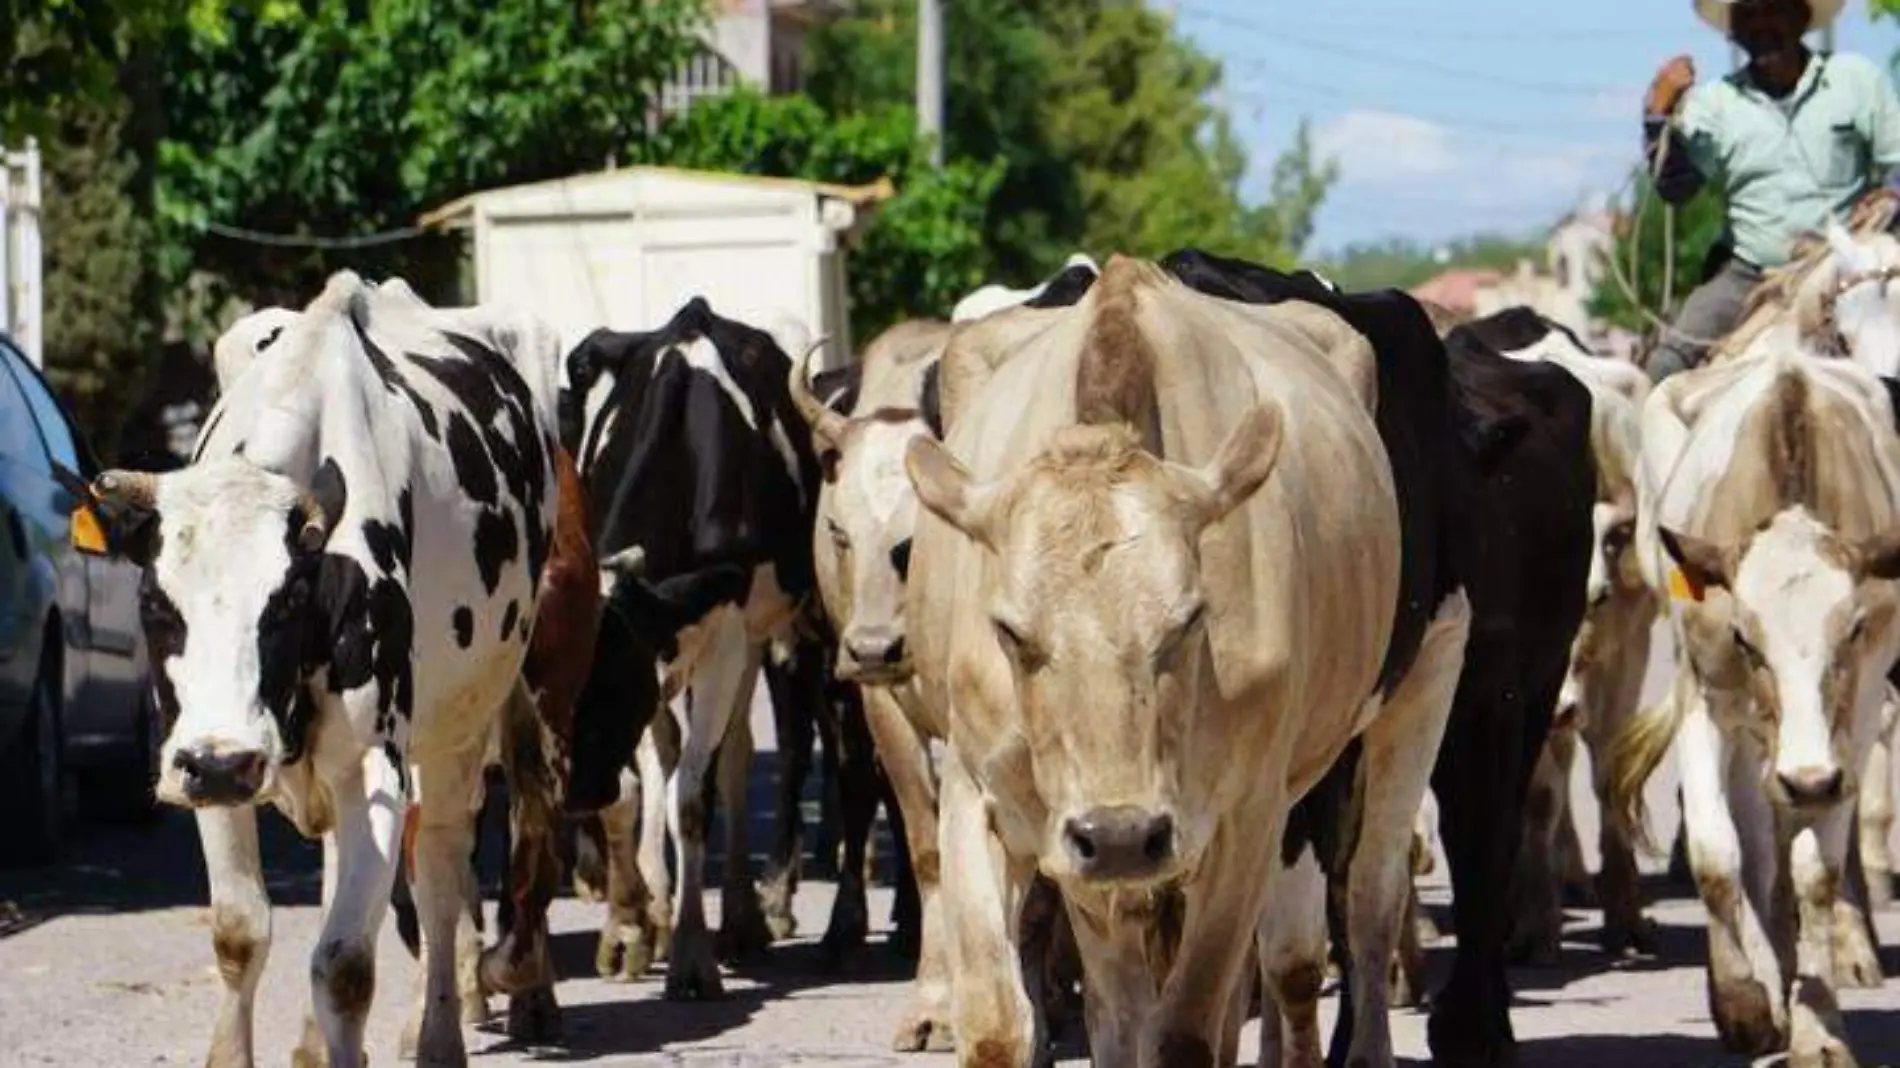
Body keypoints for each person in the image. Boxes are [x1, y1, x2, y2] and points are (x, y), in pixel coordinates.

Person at [1642, 0, 1900, 381]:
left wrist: (1891, 197)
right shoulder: (1714, 103)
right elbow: (1676, 189)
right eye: (1747, 15)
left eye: (1773, 9)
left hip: (1849, 265)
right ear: (1733, 30)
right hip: (1750, 273)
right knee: (1665, 367)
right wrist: (1656, 117)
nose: (1761, 24)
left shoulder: (1856, 79)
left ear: (1801, 17)